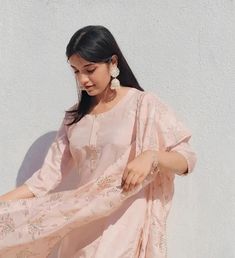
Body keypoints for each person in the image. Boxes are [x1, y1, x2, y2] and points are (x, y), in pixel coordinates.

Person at [0, 25, 197, 258]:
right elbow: (44, 180)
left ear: (113, 63)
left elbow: (187, 159)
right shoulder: (74, 118)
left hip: (124, 225)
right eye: (75, 71)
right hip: (82, 224)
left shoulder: (143, 105)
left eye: (89, 69)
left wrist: (152, 156)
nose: (82, 79)